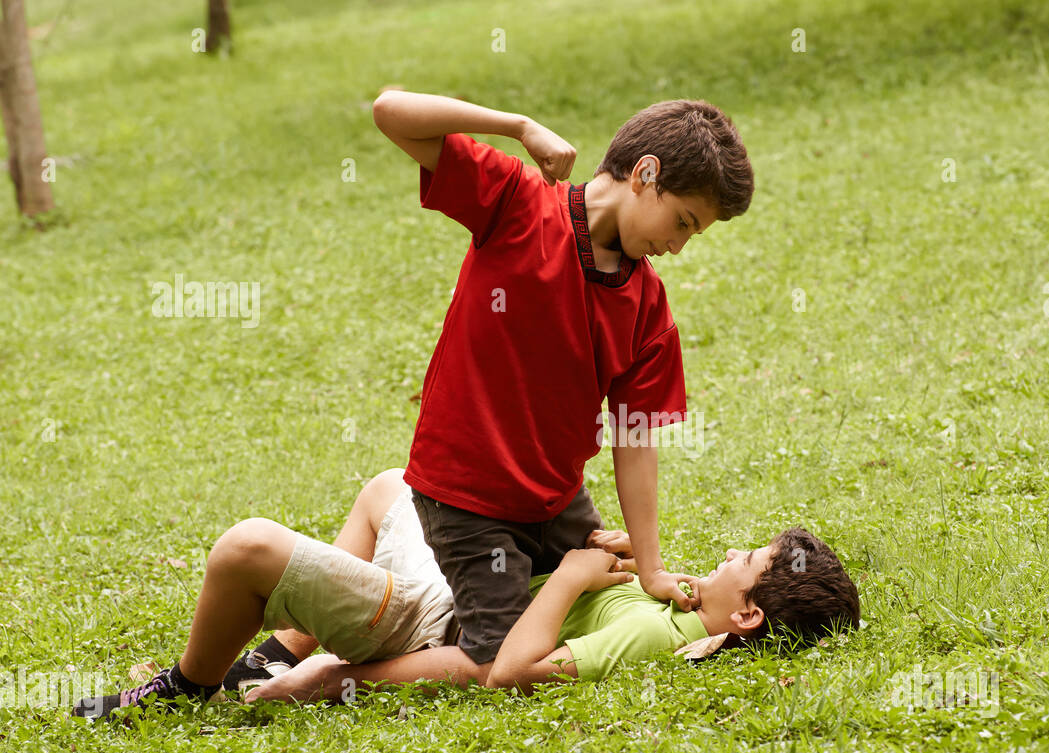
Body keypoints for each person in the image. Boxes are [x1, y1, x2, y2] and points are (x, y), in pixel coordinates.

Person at [370, 91, 754, 674]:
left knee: (601, 592)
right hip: (467, 497)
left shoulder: (648, 304)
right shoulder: (516, 202)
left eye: (692, 235)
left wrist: (650, 568)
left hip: (557, 501)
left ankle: (313, 637)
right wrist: (518, 125)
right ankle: (328, 676)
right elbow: (390, 111)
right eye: (682, 222)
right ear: (646, 175)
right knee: (496, 660)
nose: (677, 246)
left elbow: (635, 438)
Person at [72, 469, 860, 718]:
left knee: (246, 547)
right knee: (394, 485)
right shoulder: (680, 606)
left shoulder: (653, 640)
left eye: (746, 559)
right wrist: (603, 556)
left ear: (749, 612)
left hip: (432, 622)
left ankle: (187, 687)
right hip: (462, 581)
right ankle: (276, 647)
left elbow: (503, 669)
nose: (731, 552)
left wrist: (338, 680)